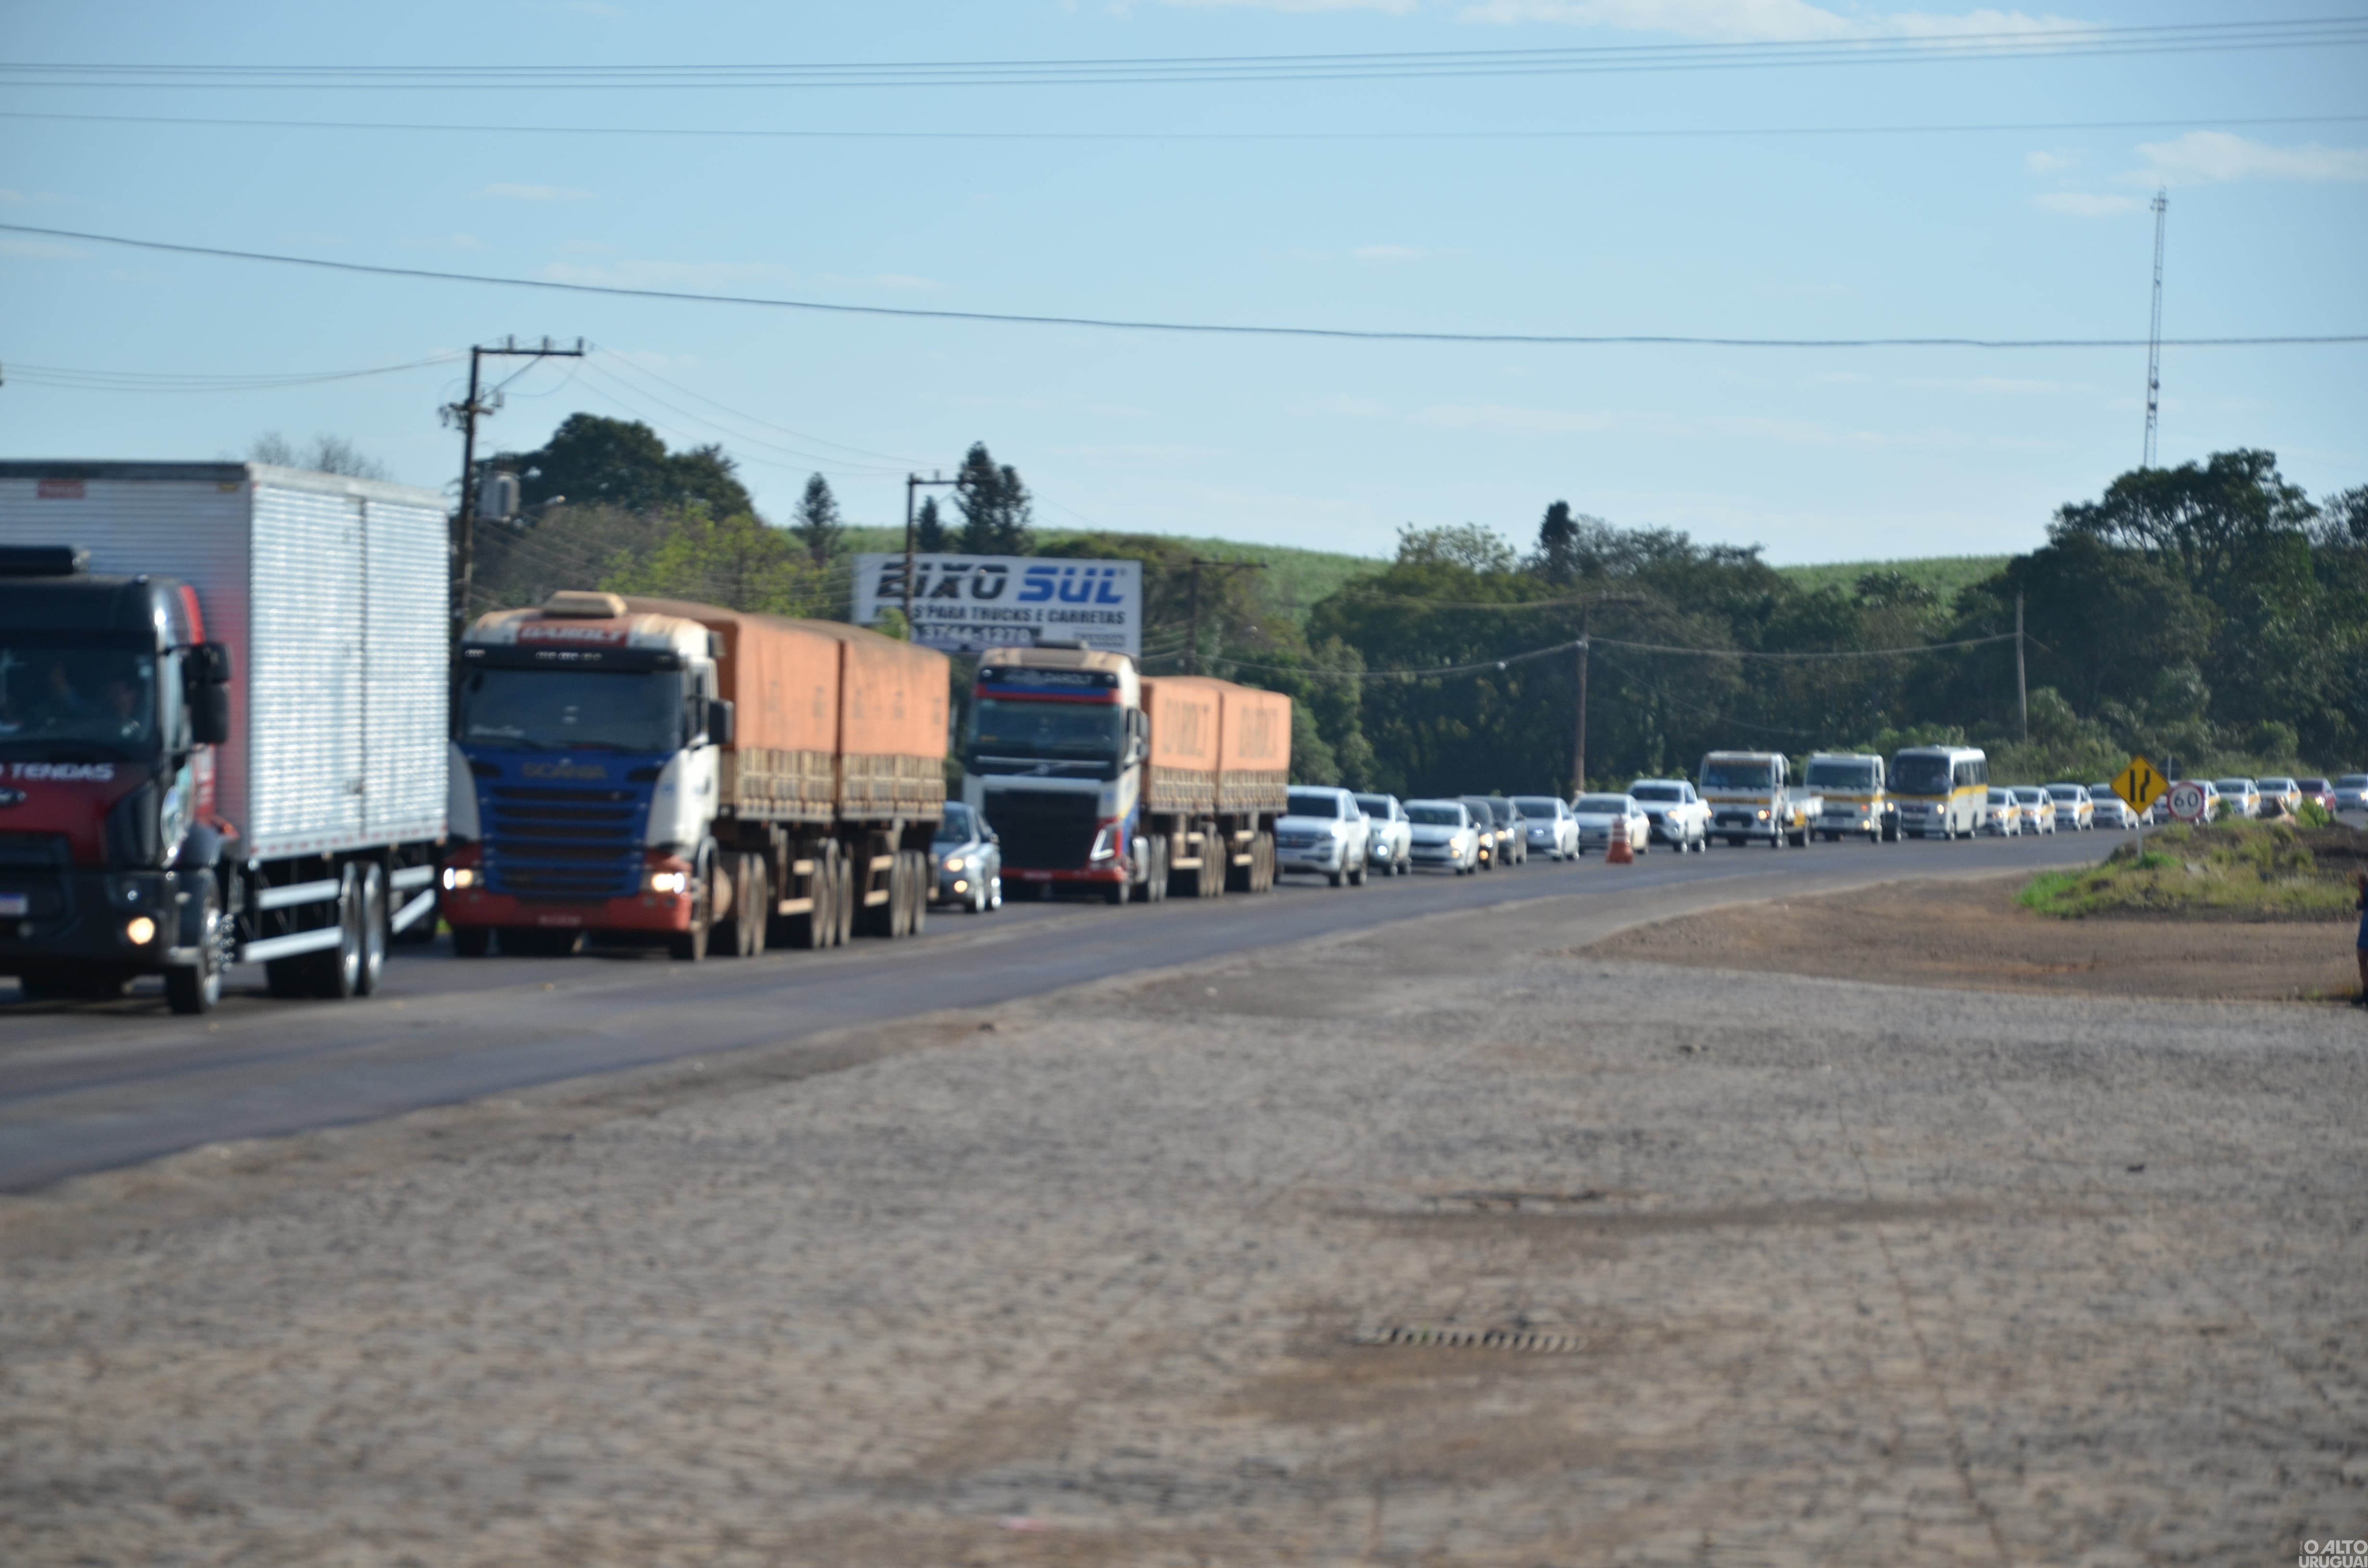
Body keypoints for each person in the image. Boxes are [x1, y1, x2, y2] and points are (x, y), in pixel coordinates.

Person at [2355, 869, 2368, 1007]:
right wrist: (2362, 890)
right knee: (2362, 957)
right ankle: (2366, 994)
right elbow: (2360, 905)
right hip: (2366, 925)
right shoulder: (2366, 888)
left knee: (2363, 957)